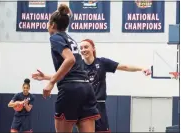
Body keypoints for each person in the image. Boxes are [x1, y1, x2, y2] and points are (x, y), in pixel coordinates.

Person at [32, 4, 100, 132]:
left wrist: (51, 82)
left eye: (48, 22)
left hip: (70, 91)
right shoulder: (70, 39)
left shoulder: (55, 37)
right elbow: (72, 71)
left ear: (52, 25)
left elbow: (70, 60)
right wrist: (46, 76)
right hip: (86, 88)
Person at [80, 39, 151, 132]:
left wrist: (141, 68)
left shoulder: (102, 62)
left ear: (93, 48)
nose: (83, 50)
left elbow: (124, 67)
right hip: (84, 106)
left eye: (86, 47)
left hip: (99, 105)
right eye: (81, 48)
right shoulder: (78, 65)